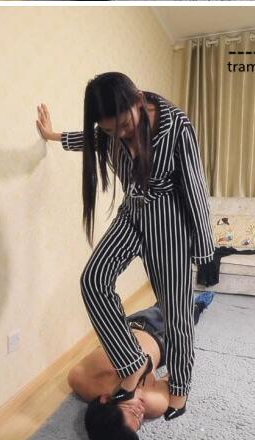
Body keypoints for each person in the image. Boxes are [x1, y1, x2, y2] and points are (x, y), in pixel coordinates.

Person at [36, 72, 218, 421]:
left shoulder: (176, 125)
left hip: (169, 221)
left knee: (176, 311)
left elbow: (195, 186)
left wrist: (206, 250)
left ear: (138, 99)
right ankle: (132, 362)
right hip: (133, 212)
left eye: (123, 125)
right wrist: (53, 135)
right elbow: (91, 139)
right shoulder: (109, 133)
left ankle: (180, 389)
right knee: (93, 280)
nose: (119, 134)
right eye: (111, 130)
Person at [68, 293, 215, 438]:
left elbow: (77, 373)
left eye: (132, 412)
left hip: (132, 324)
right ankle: (199, 305)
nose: (140, 412)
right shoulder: (154, 404)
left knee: (168, 297)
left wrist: (121, 381)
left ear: (105, 400)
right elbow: (177, 372)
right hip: (163, 341)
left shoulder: (85, 381)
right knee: (187, 315)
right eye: (140, 422)